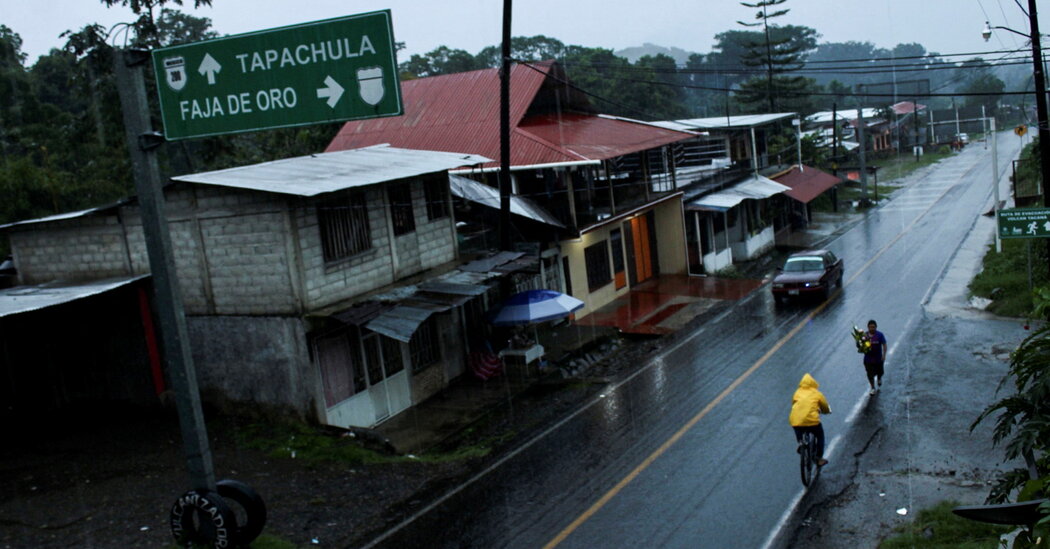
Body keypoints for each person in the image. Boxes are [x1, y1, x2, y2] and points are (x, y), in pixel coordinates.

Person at [790, 373, 832, 467]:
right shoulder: (817, 394)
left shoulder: (797, 392)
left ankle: (801, 443)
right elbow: (824, 407)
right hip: (812, 422)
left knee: (798, 428)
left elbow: (793, 404)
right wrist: (827, 411)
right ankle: (818, 458)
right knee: (820, 435)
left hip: (796, 420)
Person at [863, 319, 887, 395]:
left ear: (876, 327)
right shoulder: (864, 336)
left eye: (873, 327)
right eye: (870, 327)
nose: (872, 329)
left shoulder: (880, 335)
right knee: (870, 374)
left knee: (880, 372)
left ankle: (879, 378)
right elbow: (860, 345)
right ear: (868, 327)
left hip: (878, 359)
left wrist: (884, 355)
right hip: (868, 360)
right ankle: (873, 387)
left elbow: (884, 344)